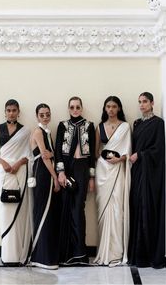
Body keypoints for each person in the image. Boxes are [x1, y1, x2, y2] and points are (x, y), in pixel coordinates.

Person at [0, 99, 31, 266]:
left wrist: (18, 164)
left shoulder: (25, 131)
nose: (11, 113)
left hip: (19, 172)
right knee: (5, 210)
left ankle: (19, 254)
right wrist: (4, 163)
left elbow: (28, 155)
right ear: (4, 112)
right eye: (9, 110)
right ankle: (7, 256)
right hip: (4, 172)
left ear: (18, 112)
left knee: (19, 212)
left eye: (14, 110)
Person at [55, 96, 95, 265]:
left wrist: (92, 177)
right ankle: (66, 254)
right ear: (69, 109)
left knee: (78, 209)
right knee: (65, 208)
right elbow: (58, 149)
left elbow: (92, 153)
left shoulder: (89, 126)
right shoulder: (62, 125)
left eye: (78, 107)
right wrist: (61, 172)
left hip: (82, 169)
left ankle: (80, 254)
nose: (75, 110)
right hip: (67, 168)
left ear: (82, 108)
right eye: (72, 107)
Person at [128, 92, 165, 268]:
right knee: (135, 206)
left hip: (149, 174)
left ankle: (148, 256)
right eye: (140, 102)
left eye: (145, 102)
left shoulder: (158, 123)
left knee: (146, 207)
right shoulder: (137, 124)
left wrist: (140, 155)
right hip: (136, 172)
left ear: (152, 103)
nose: (142, 105)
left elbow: (158, 149)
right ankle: (136, 255)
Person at [93, 96, 132, 267]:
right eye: (108, 106)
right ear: (105, 108)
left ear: (119, 108)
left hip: (118, 171)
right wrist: (103, 160)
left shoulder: (125, 127)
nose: (110, 109)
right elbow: (95, 152)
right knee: (103, 210)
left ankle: (115, 253)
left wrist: (119, 159)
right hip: (102, 173)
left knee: (117, 210)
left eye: (114, 106)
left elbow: (128, 152)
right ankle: (103, 252)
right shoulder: (99, 127)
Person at [29, 103, 61, 270]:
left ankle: (47, 255)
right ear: (37, 116)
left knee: (49, 214)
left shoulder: (47, 132)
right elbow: (44, 157)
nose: (45, 117)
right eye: (42, 115)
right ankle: (41, 257)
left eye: (47, 114)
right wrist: (55, 177)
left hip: (46, 173)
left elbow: (50, 154)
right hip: (43, 174)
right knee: (43, 212)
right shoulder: (38, 132)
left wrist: (53, 154)